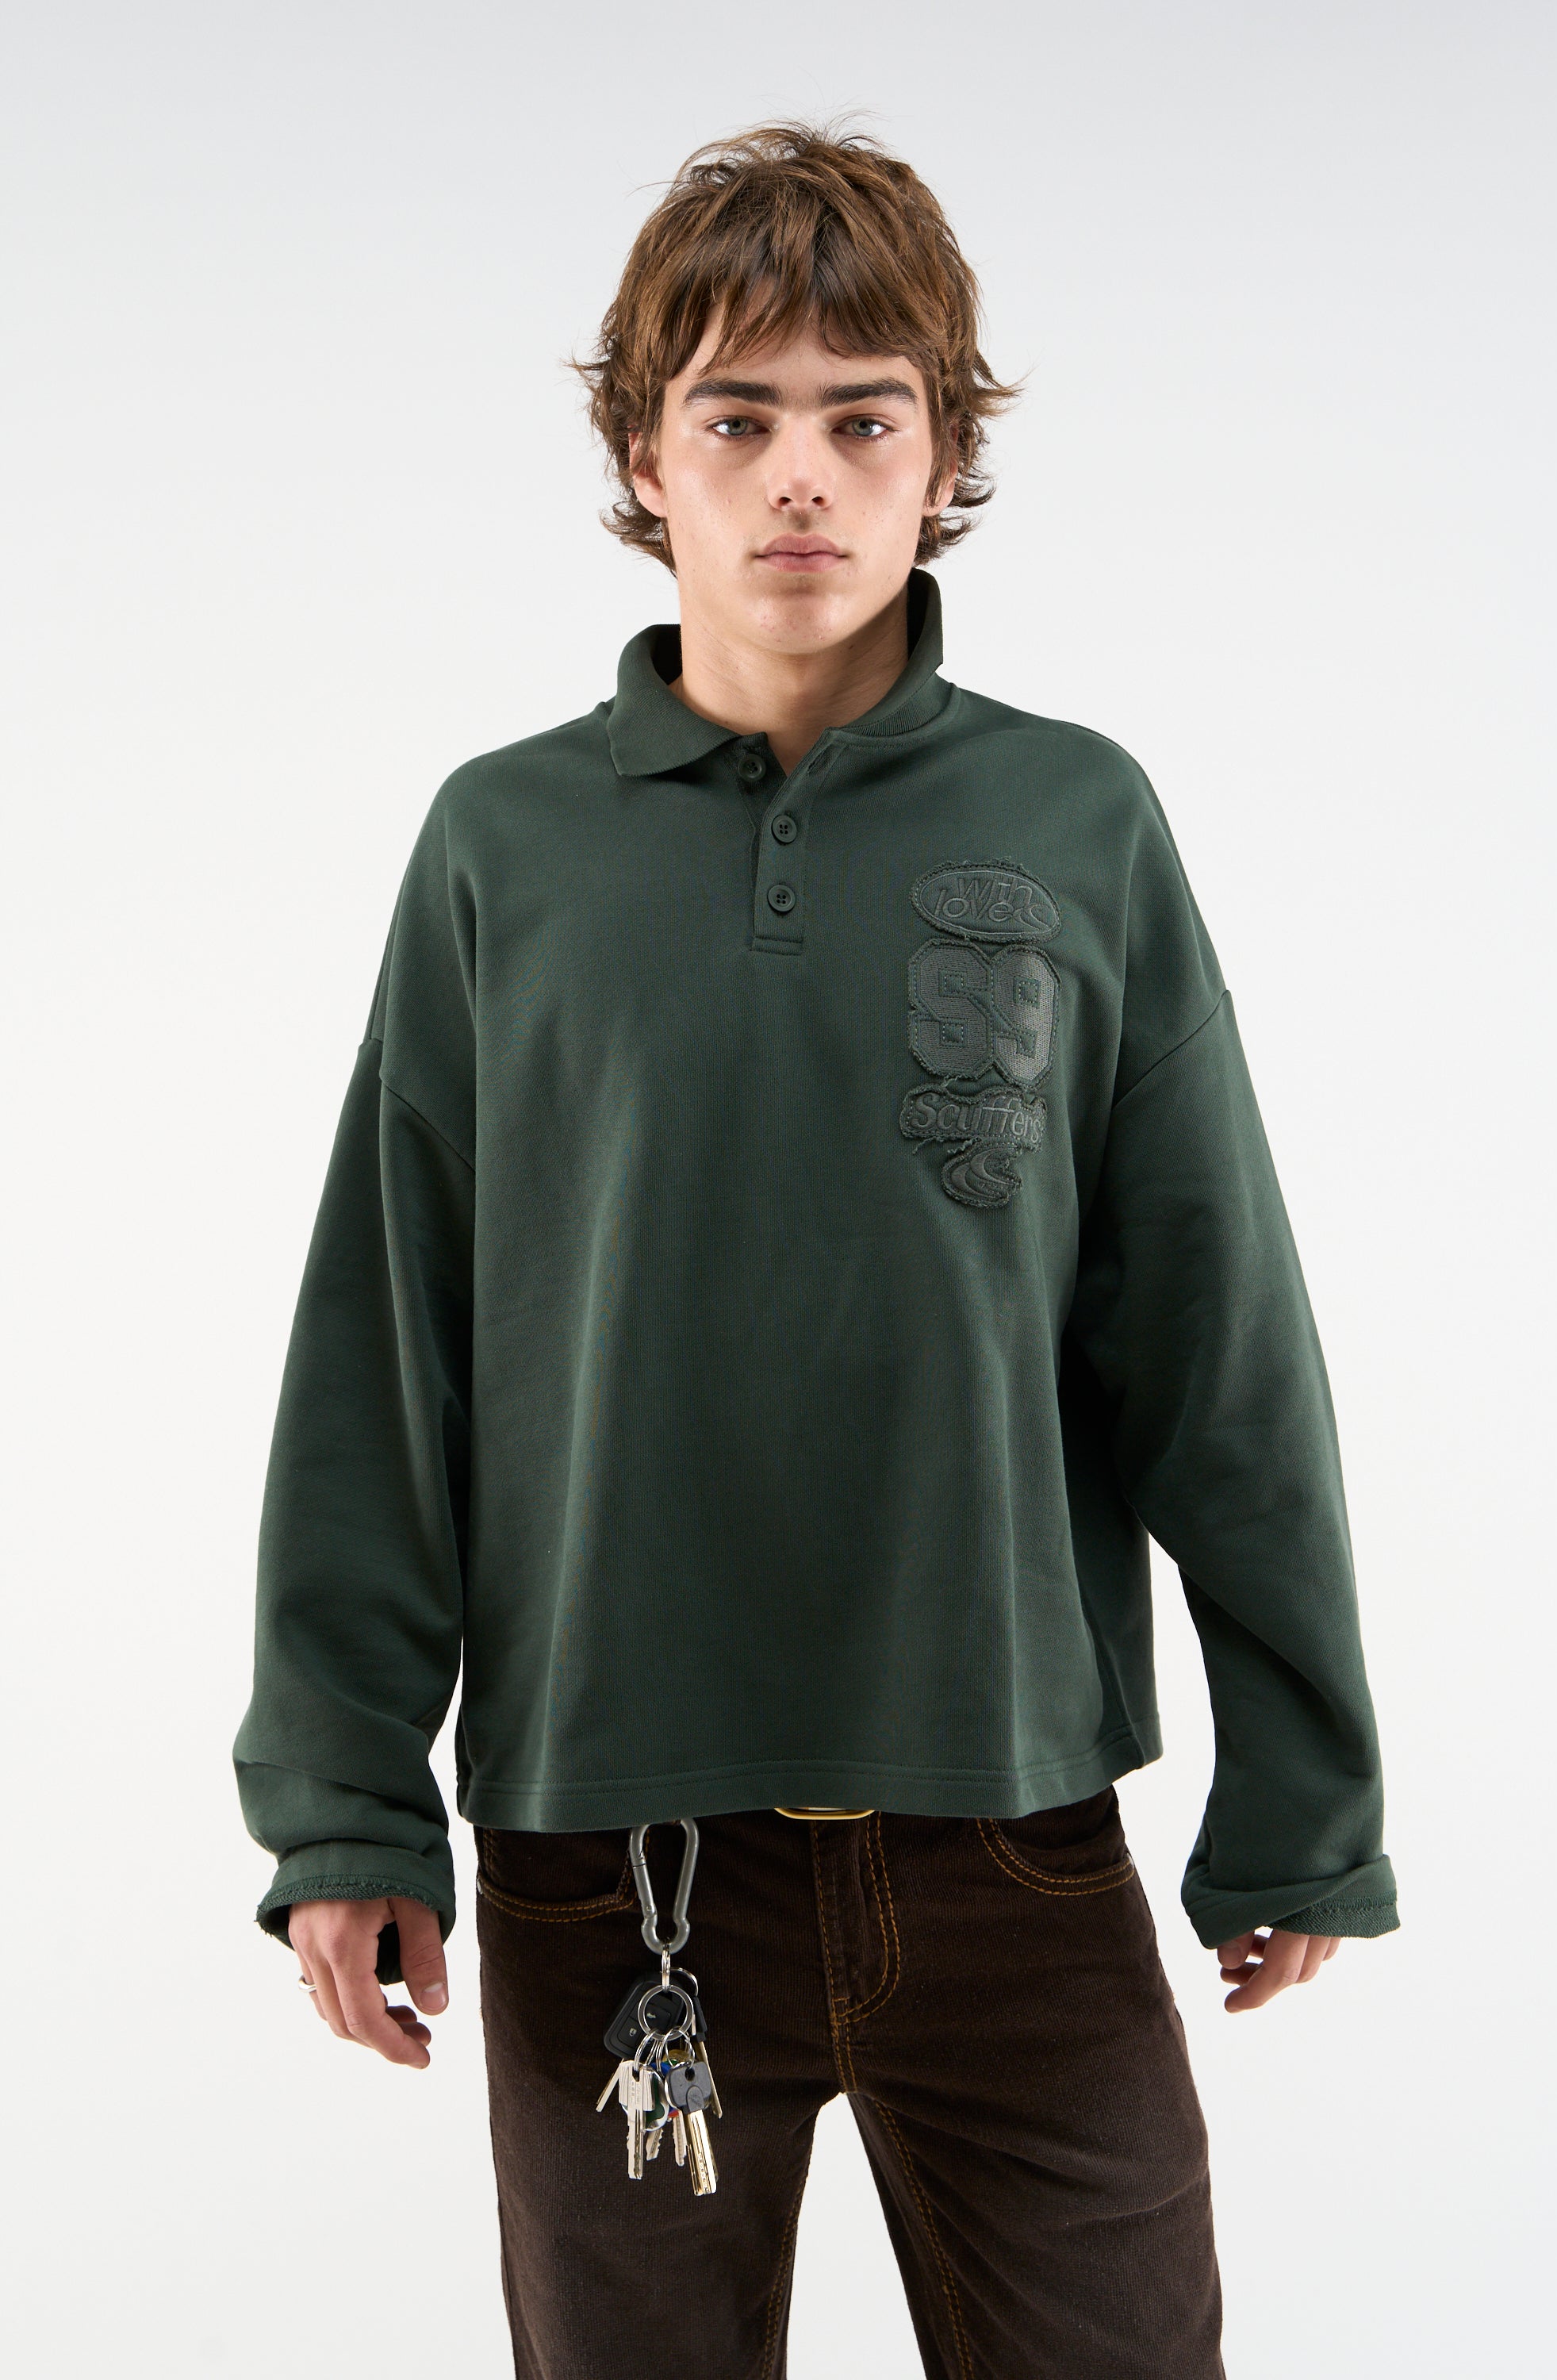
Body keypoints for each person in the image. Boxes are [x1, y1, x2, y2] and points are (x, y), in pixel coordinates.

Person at [235, 121, 1398, 2378]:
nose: (800, 477)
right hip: (612, 1861)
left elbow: (1217, 1338)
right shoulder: (502, 848)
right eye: (735, 416)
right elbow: (385, 1347)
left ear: (944, 453)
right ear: (641, 453)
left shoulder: (1078, 820)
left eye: (865, 418)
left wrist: (1307, 1792)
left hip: (1012, 1839)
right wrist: (345, 1798)